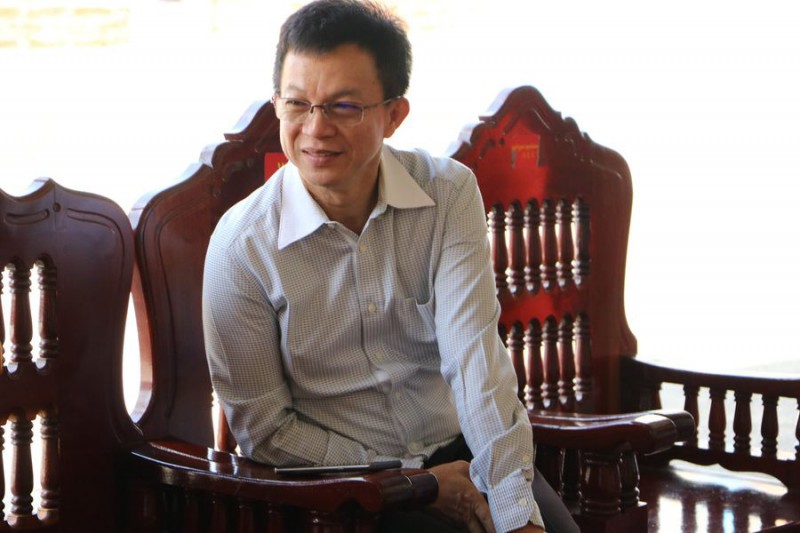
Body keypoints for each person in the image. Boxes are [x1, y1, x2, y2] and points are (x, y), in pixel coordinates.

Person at [203, 1, 579, 531]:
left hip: (464, 452)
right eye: (297, 104)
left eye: (344, 107)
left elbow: (476, 363)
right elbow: (264, 431)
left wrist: (516, 511)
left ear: (394, 115)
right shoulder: (242, 246)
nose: (315, 129)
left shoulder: (447, 195)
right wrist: (411, 482)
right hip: (342, 488)